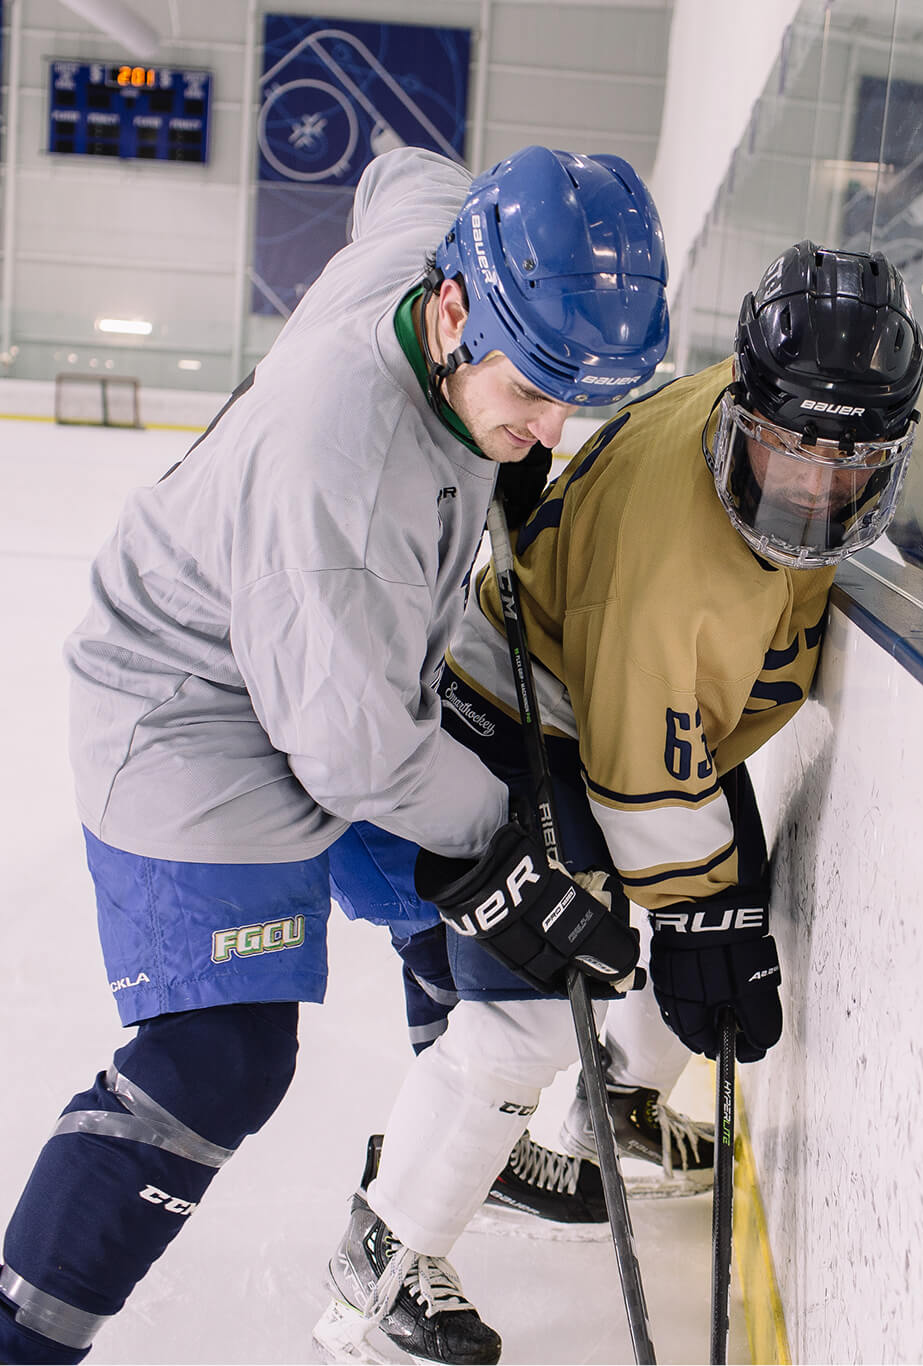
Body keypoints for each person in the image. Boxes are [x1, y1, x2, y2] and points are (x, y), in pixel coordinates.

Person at [0, 143, 671, 1366]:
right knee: (221, 1055)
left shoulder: (436, 245)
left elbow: (402, 166)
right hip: (189, 708)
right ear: (457, 312)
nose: (548, 430)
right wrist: (511, 858)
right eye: (533, 392)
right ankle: (19, 1336)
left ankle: (461, 1149)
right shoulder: (340, 473)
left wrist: (507, 442)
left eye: (573, 399)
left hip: (326, 661)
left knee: (451, 885)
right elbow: (358, 758)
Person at [315, 241, 923, 1364]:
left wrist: (705, 902)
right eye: (790, 456)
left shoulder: (750, 403)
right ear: (751, 408)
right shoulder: (670, 566)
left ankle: (623, 1114)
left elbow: (666, 771)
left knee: (709, 884)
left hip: (577, 704)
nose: (810, 492)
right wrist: (696, 917)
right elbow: (636, 775)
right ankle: (380, 1258)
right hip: (518, 717)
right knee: (527, 1014)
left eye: (846, 470)